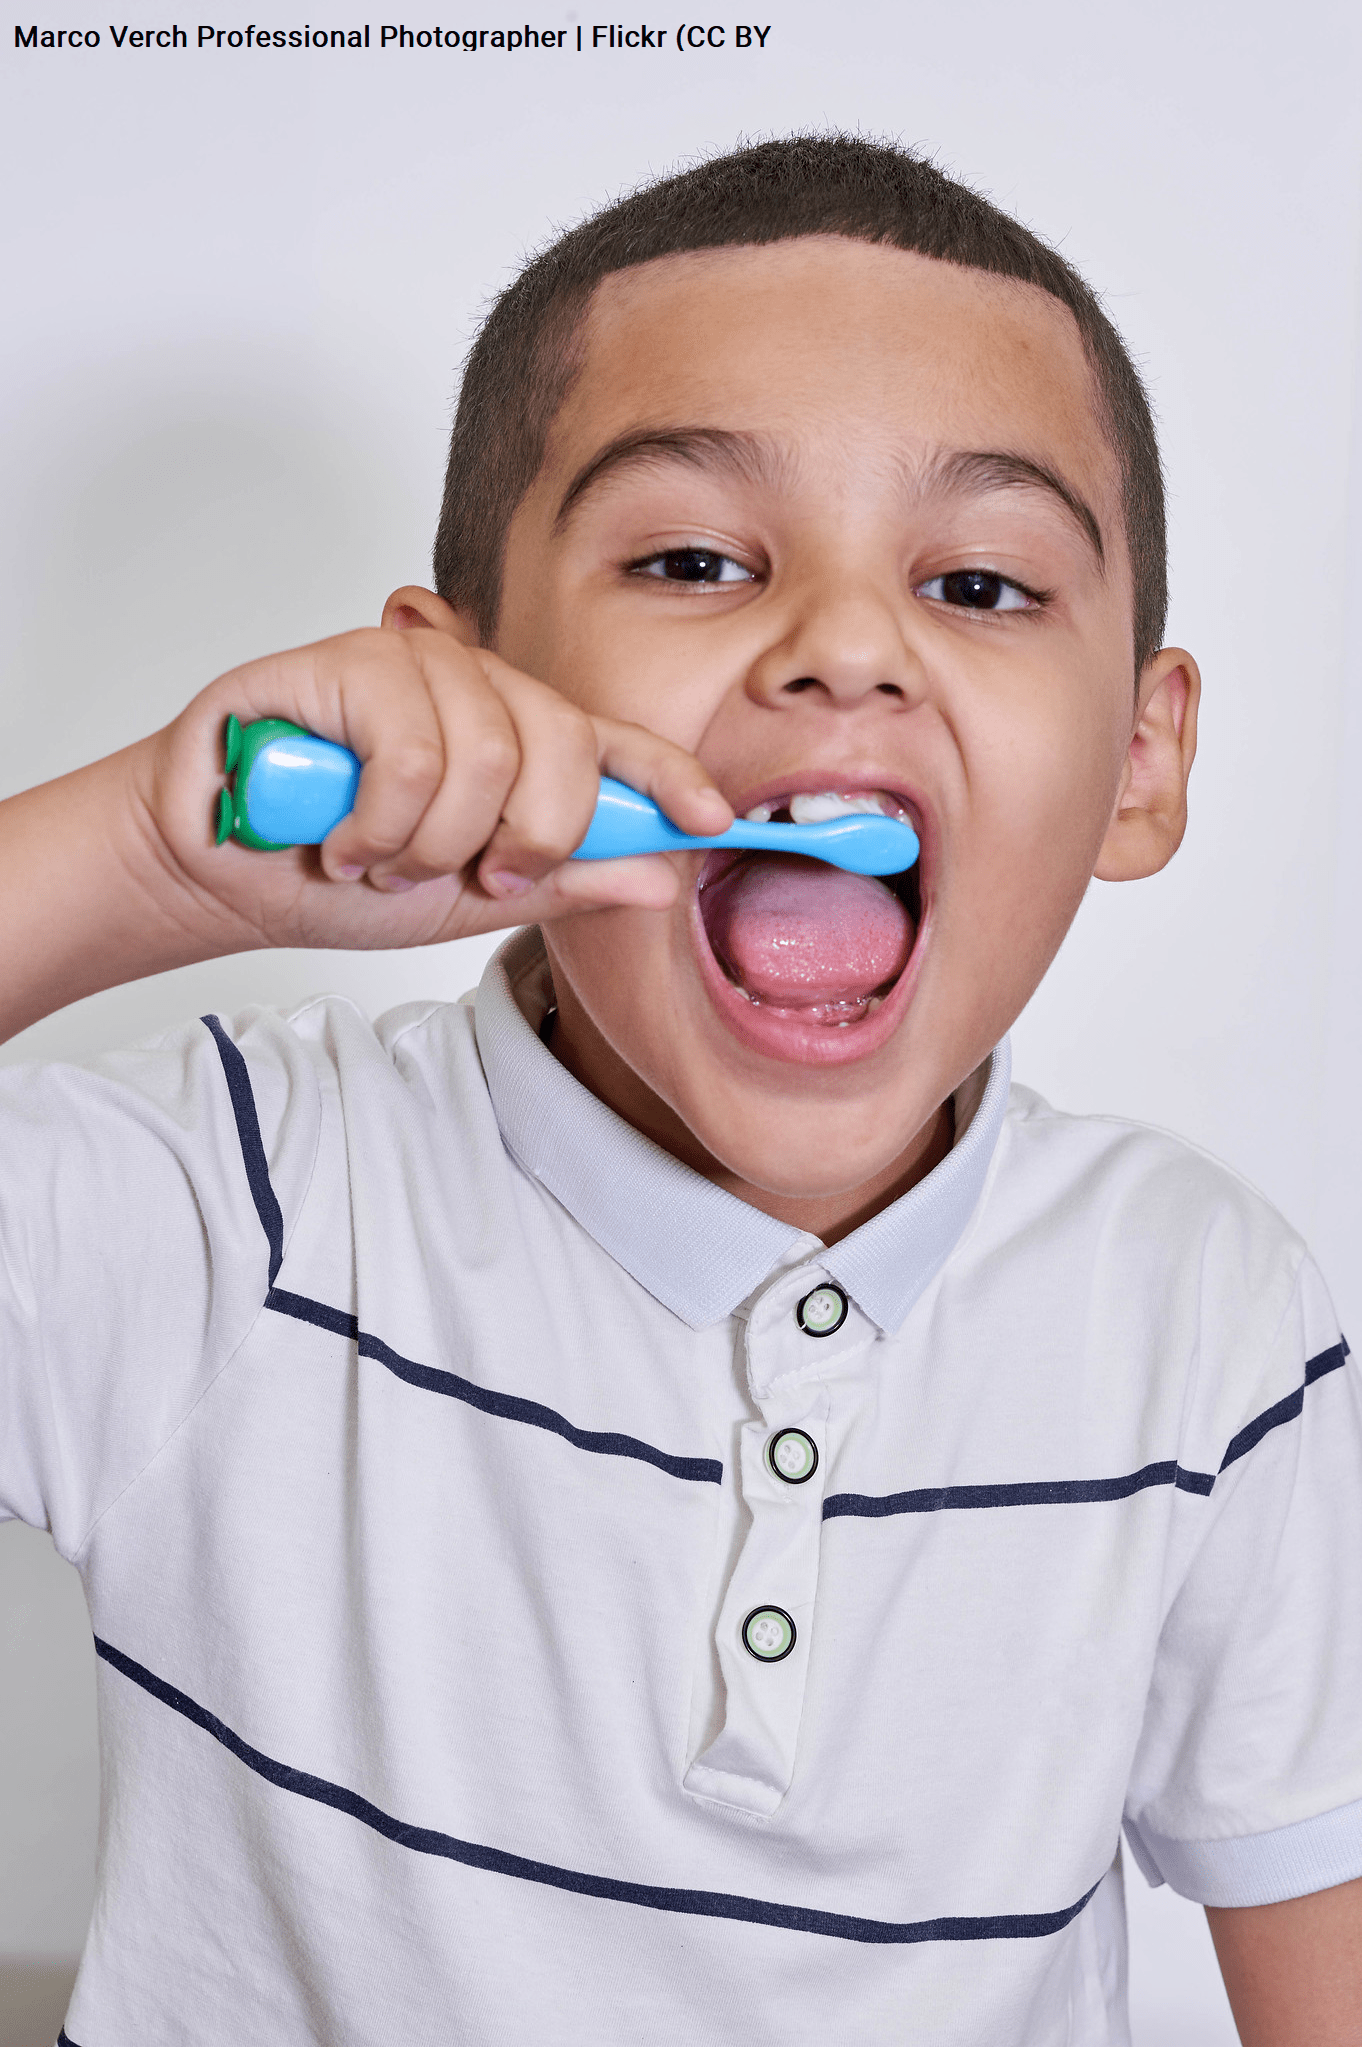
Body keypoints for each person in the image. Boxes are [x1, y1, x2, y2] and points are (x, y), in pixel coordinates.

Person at [1, 134, 1359, 2047]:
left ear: (1138, 763)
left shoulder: (1206, 1320)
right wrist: (139, 858)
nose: (844, 648)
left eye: (976, 580)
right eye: (695, 559)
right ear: (462, 686)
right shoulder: (241, 1205)